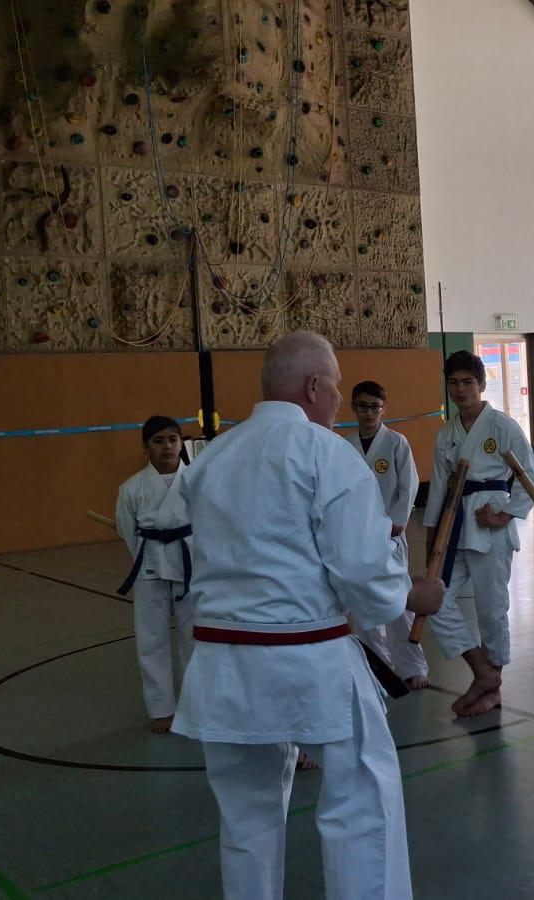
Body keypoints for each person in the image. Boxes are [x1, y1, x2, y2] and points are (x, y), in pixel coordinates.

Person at [172, 331, 445, 900]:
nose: (341, 399)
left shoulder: (210, 457)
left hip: (223, 662)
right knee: (362, 799)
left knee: (245, 819)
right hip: (308, 656)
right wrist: (410, 595)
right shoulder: (326, 452)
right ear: (314, 386)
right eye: (337, 386)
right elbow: (363, 574)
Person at [423, 350, 534, 718]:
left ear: (482, 384)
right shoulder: (446, 432)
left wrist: (504, 514)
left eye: (467, 382)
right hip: (455, 524)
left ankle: (494, 688)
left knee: (492, 610)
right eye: (453, 383)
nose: (460, 389)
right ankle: (483, 671)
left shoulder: (502, 426)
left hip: (490, 523)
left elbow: (532, 478)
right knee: (434, 601)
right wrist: (432, 541)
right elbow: (439, 489)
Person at [345, 381, 429, 689]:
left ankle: (412, 666)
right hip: (357, 535)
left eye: (375, 407)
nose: (369, 413)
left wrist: (397, 522)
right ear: (353, 407)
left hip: (390, 533)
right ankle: (377, 665)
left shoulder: (396, 442)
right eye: (363, 406)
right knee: (362, 603)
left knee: (397, 600)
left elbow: (409, 485)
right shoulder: (345, 445)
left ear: (384, 409)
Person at [115, 415, 195, 734]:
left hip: (191, 563)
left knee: (194, 637)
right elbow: (127, 531)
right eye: (158, 441)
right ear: (146, 446)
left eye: (173, 439)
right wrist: (149, 556)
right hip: (149, 564)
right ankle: (162, 709)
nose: (167, 446)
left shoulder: (197, 480)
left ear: (181, 443)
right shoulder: (131, 488)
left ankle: (195, 707)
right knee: (152, 639)